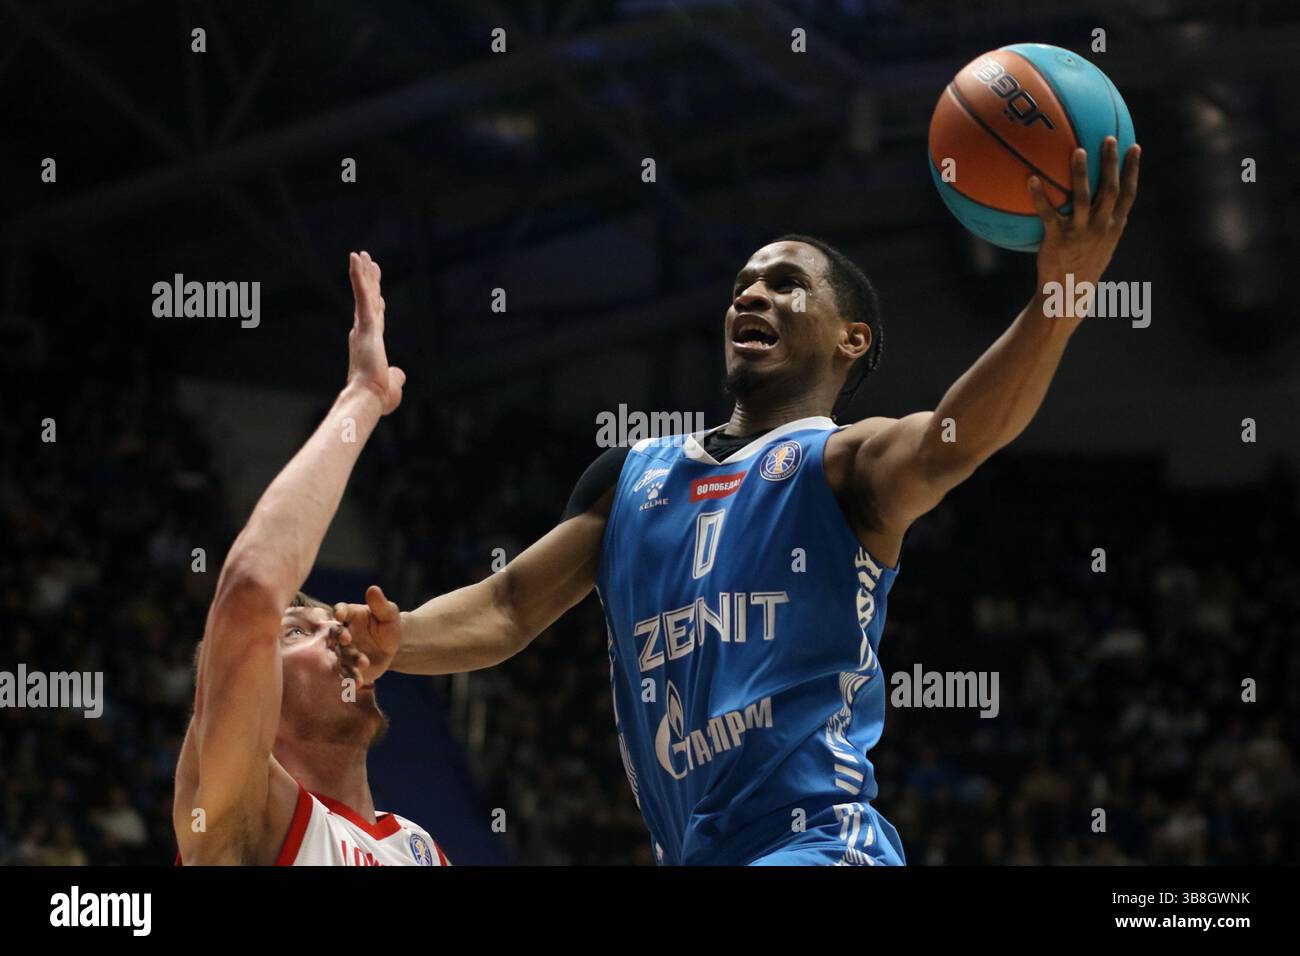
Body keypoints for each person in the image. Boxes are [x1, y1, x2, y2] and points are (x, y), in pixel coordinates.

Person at [339, 139, 1140, 865]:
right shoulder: (633, 475)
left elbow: (955, 441)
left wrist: (1058, 302)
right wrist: (397, 640)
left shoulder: (844, 463)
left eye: (786, 285)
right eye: (743, 286)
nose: (751, 296)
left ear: (850, 338)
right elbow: (510, 607)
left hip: (822, 846)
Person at [173, 252, 447, 866]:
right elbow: (250, 588)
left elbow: (510, 610)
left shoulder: (420, 847)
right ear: (253, 700)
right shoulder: (241, 820)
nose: (338, 633)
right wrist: (365, 397)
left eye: (331, 622)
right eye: (298, 630)